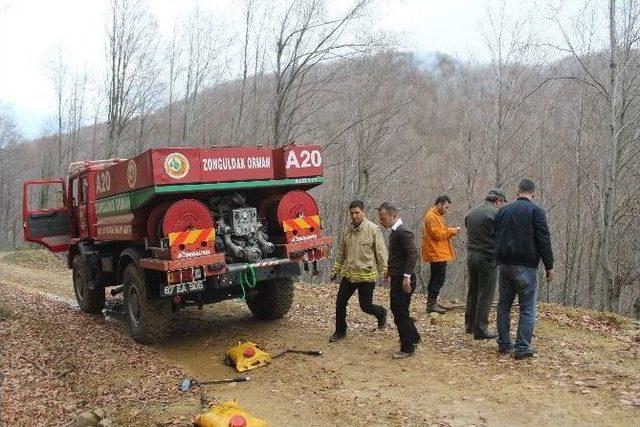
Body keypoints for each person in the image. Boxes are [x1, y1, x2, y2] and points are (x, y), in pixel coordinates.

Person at [495, 179, 554, 359]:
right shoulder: (536, 211)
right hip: (526, 266)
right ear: (533, 193)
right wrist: (549, 265)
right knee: (527, 308)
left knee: (504, 306)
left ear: (518, 191)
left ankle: (504, 344)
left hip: (504, 265)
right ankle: (522, 348)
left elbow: (495, 235)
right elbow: (543, 239)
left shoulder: (503, 210)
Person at [329, 200, 388, 342]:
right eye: (352, 213)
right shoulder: (346, 231)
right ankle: (340, 331)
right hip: (349, 274)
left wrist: (385, 271)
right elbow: (341, 253)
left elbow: (381, 252)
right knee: (340, 302)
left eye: (357, 213)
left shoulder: (373, 229)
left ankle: (381, 313)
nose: (354, 216)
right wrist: (336, 269)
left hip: (366, 276)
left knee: (365, 306)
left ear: (363, 212)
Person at [377, 202, 421, 359]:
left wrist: (406, 277)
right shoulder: (395, 231)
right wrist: (390, 271)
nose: (381, 222)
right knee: (399, 310)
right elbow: (398, 255)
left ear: (393, 215)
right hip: (397, 276)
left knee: (400, 313)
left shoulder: (403, 231)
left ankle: (407, 348)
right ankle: (414, 337)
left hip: (404, 280)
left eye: (383, 218)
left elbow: (413, 253)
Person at [464, 189, 507, 340]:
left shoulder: (472, 211)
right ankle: (481, 329)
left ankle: (469, 325)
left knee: (473, 290)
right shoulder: (496, 214)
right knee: (486, 294)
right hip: (487, 257)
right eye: (503, 204)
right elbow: (502, 236)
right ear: (498, 201)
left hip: (471, 255)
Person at [421, 195, 461, 314]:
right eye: (446, 207)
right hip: (436, 252)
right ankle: (431, 304)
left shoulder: (437, 216)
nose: (447, 210)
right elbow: (437, 234)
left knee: (436, 278)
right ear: (439, 205)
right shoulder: (432, 216)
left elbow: (440, 231)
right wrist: (452, 231)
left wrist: (450, 230)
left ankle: (432, 302)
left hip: (439, 252)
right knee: (438, 278)